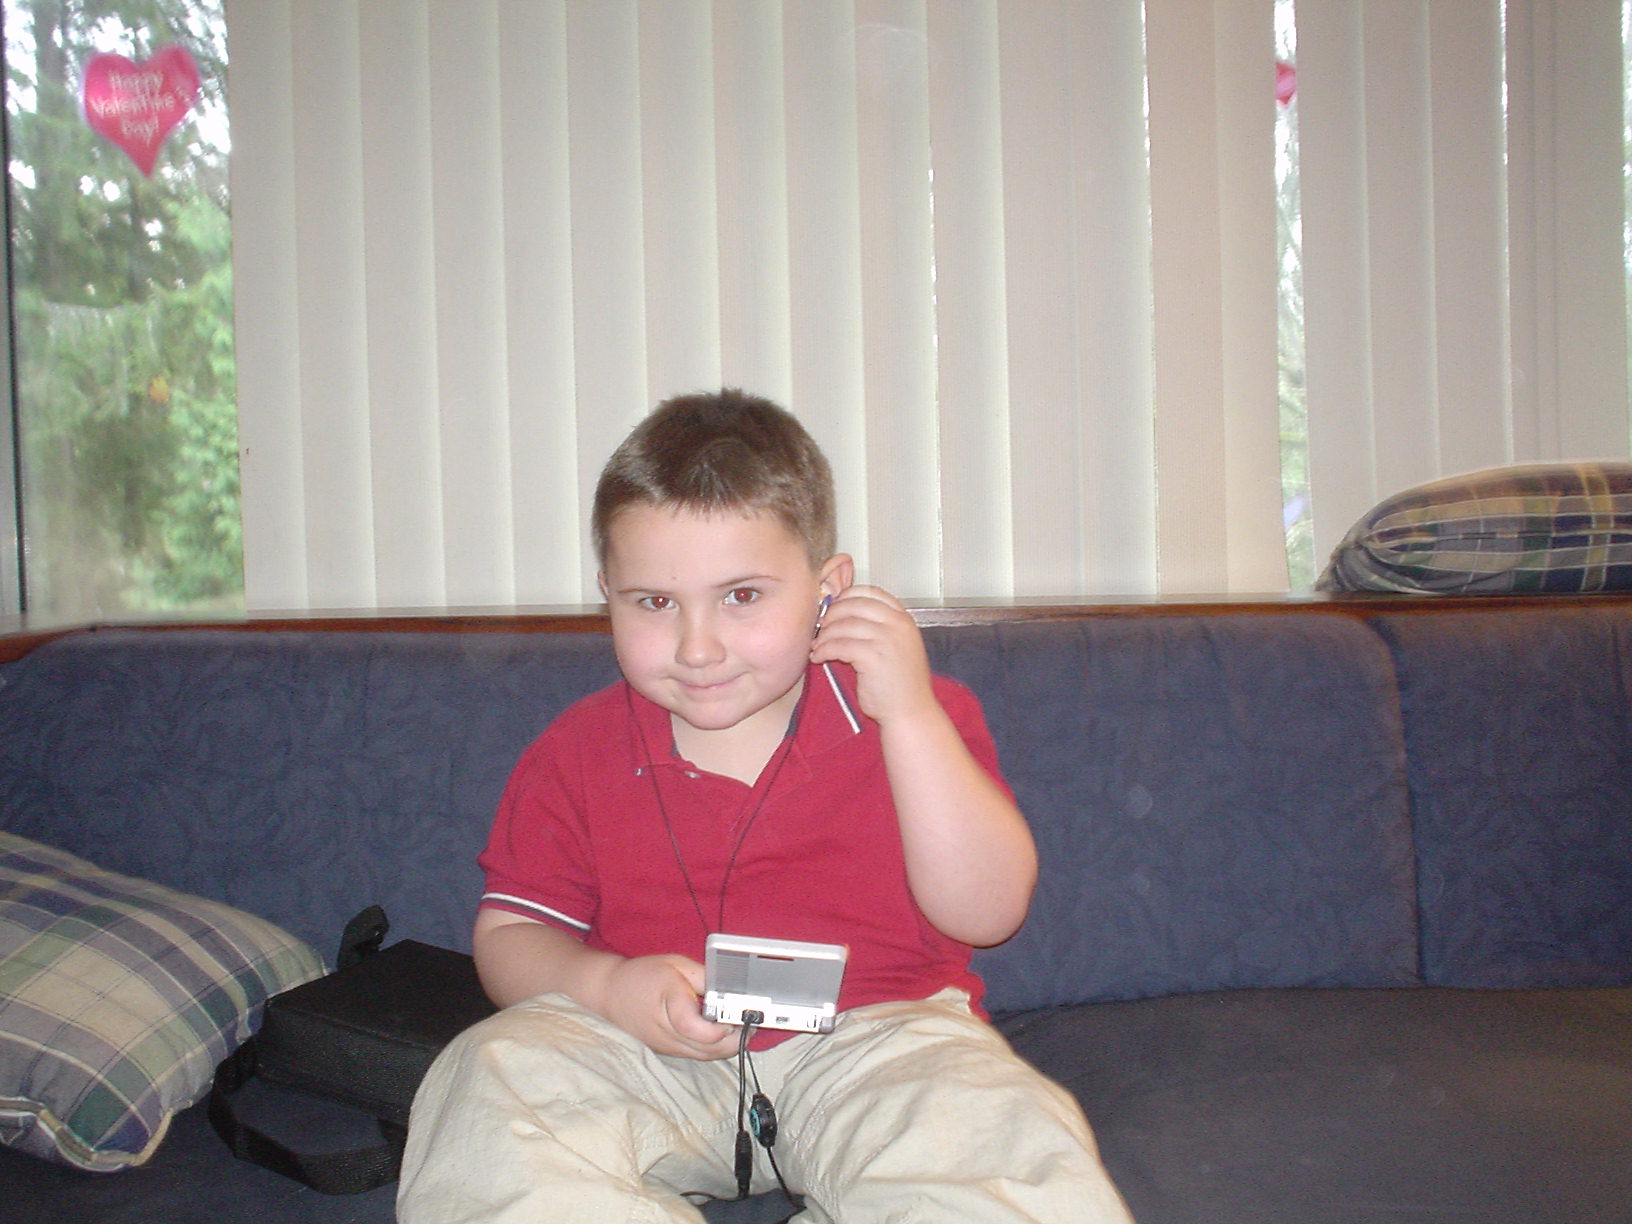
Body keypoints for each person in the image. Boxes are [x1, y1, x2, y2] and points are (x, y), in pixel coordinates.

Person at [397, 390, 1133, 1224]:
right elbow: (509, 938)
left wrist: (911, 717)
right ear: (608, 592)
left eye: (742, 596)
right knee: (488, 1076)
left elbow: (989, 912)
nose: (697, 646)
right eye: (654, 602)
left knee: (998, 1137)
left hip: (883, 1044)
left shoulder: (916, 716)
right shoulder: (575, 750)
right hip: (646, 1050)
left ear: (828, 589)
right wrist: (607, 986)